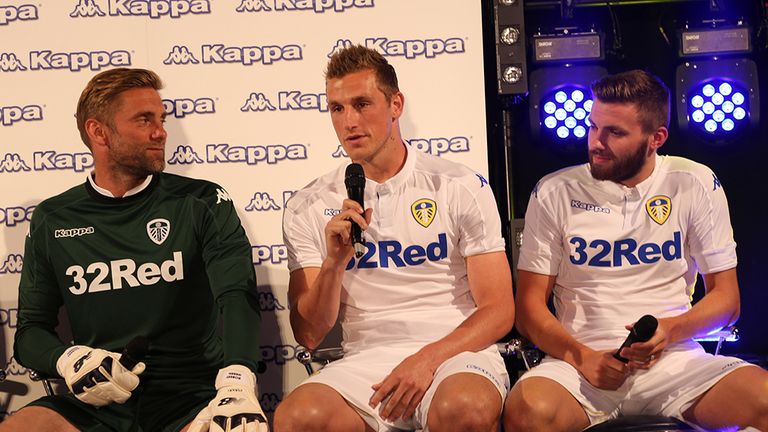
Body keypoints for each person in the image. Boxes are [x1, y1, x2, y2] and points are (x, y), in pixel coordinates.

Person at [3, 68, 268, 432]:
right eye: (144, 120)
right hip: (101, 400)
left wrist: (238, 380)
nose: (160, 132)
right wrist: (69, 359)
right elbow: (31, 332)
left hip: (191, 397)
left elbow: (237, 295)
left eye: (161, 119)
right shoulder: (53, 218)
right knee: (22, 426)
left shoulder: (201, 201)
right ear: (98, 132)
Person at [503, 69, 768, 431]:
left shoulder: (695, 182)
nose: (596, 141)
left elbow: (728, 300)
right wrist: (581, 356)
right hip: (579, 366)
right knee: (527, 410)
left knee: (764, 400)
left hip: (674, 361)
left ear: (656, 138)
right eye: (593, 126)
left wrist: (670, 331)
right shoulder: (553, 191)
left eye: (615, 132)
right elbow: (529, 308)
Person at [274, 45, 514, 432]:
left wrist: (427, 359)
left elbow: (499, 310)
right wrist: (335, 263)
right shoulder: (308, 204)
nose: (349, 121)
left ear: (396, 104)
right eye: (337, 108)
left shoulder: (458, 186)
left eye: (362, 103)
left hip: (455, 352)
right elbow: (310, 335)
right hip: (366, 359)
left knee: (464, 408)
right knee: (298, 418)